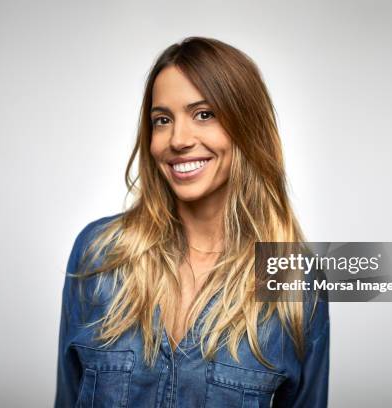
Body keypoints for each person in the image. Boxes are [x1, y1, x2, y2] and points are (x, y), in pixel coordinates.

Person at [55, 36, 329, 408]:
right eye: (162, 120)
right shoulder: (99, 253)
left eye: (204, 114)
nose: (178, 140)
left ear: (247, 126)